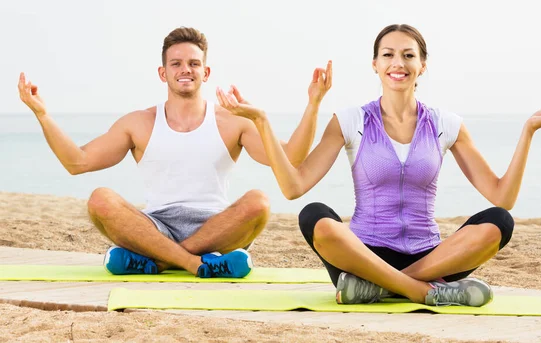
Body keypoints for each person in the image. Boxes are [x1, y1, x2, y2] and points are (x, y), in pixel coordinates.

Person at [216, 24, 541, 306]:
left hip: (429, 256)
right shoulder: (349, 120)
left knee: (498, 223)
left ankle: (385, 286)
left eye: (408, 55)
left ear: (422, 65)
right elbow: (294, 187)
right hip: (362, 255)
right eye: (388, 55)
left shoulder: (446, 123)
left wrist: (529, 130)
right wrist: (263, 121)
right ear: (375, 65)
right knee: (314, 215)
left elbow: (503, 195)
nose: (398, 63)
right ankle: (425, 293)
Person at [17, 27, 332, 279]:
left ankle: (160, 261)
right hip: (155, 226)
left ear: (205, 73)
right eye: (176, 63)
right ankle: (198, 264)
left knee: (259, 203)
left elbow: (291, 157)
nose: (186, 69)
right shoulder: (138, 123)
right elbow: (77, 162)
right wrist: (42, 115)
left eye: (194, 63)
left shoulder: (233, 121)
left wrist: (314, 104)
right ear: (162, 72)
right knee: (100, 199)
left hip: (217, 227)